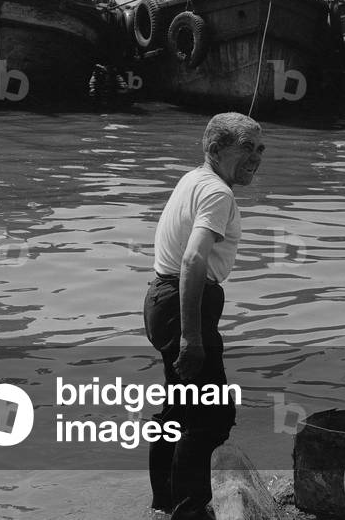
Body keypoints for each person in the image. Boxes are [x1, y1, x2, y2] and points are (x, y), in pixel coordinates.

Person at [143, 112, 265, 520]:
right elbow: (194, 258)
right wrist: (191, 338)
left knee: (180, 407)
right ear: (215, 149)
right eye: (246, 148)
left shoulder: (193, 178)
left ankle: (164, 502)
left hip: (164, 300)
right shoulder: (218, 194)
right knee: (210, 416)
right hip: (184, 305)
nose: (256, 157)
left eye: (260, 148)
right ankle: (190, 510)